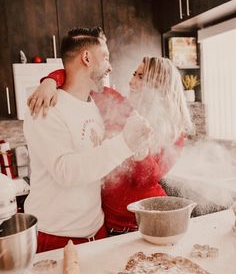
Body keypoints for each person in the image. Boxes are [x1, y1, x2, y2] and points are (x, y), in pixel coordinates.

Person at [28, 56, 192, 236]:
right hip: (110, 224)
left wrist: (140, 150)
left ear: (158, 85)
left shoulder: (176, 133)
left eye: (140, 77)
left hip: (151, 220)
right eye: (133, 74)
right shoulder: (117, 104)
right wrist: (50, 81)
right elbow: (82, 78)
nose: (131, 82)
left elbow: (146, 179)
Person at [24, 27, 152, 252]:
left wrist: (136, 150)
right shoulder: (46, 107)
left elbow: (97, 160)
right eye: (105, 57)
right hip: (56, 237)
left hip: (97, 232)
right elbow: (66, 171)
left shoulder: (95, 103)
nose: (110, 66)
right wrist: (124, 144)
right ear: (86, 57)